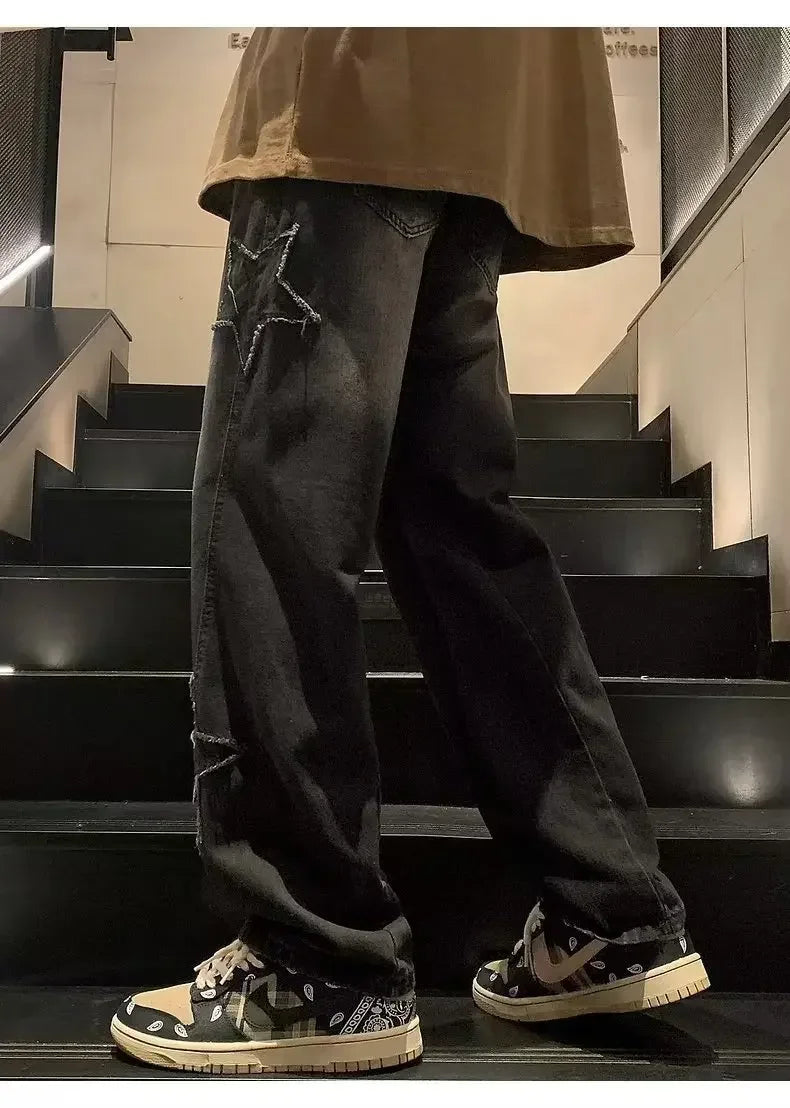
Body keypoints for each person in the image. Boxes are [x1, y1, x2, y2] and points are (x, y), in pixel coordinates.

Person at [110, 28, 708, 1075]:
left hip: (349, 85)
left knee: (275, 521)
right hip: (491, 113)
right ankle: (608, 910)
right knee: (455, 528)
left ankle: (316, 958)